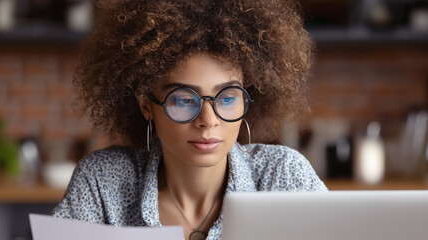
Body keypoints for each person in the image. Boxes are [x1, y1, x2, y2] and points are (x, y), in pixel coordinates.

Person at [53, 0, 328, 239]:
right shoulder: (102, 185)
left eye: (228, 97)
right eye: (184, 100)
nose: (208, 120)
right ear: (146, 105)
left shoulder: (284, 178)